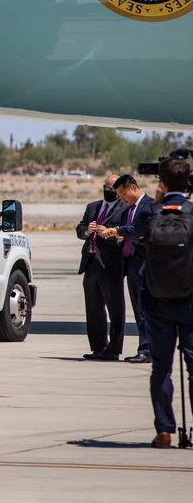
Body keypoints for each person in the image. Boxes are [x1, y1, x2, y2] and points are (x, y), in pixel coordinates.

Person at [132, 158, 193, 449]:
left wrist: (157, 202)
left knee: (161, 368)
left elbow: (141, 253)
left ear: (162, 184)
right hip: (191, 301)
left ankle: (165, 431)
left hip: (158, 303)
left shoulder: (151, 214)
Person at [99, 175, 153, 363]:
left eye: (123, 194)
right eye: (119, 195)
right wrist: (115, 236)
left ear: (134, 188)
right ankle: (144, 348)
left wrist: (118, 230)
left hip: (146, 266)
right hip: (130, 264)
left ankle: (147, 349)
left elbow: (139, 229)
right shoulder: (126, 211)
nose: (121, 198)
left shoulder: (149, 207)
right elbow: (126, 233)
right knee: (138, 309)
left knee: (146, 309)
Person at [75, 175, 126, 361]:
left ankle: (113, 350)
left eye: (112, 188)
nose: (108, 190)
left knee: (115, 308)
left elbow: (125, 236)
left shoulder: (124, 208)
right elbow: (79, 229)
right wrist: (87, 230)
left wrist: (110, 235)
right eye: (106, 186)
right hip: (91, 262)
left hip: (111, 265)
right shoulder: (93, 207)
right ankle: (98, 347)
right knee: (94, 308)